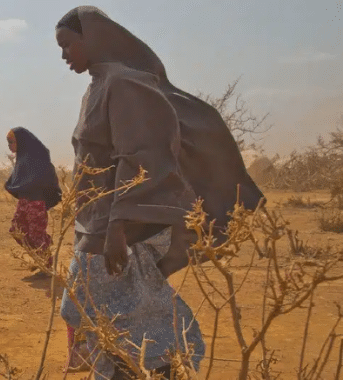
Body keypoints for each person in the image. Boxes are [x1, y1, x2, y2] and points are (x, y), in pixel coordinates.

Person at [54, 6, 263, 378]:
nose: (63, 55)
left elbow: (143, 154)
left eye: (68, 44)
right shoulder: (97, 88)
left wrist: (119, 226)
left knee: (130, 320)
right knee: (109, 319)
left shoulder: (124, 84)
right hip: (96, 228)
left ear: (93, 38)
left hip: (121, 230)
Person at [4, 127, 62, 272]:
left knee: (36, 235)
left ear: (21, 141)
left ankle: (46, 266)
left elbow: (46, 179)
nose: (9, 145)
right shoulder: (22, 158)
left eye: (11, 142)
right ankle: (41, 256)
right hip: (24, 201)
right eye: (8, 142)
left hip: (36, 202)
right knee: (17, 230)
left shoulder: (38, 156)